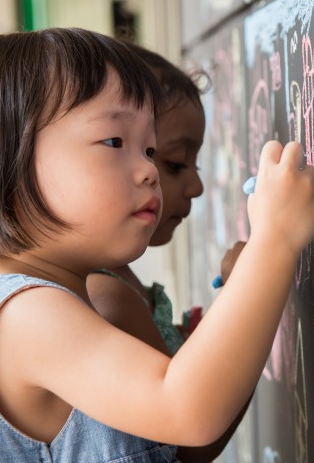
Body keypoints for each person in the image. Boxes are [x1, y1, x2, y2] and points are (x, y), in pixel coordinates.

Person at [0, 27, 314, 462]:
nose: (148, 171)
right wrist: (274, 241)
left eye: (148, 149)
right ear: (3, 170)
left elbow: (184, 436)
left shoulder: (49, 301)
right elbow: (187, 412)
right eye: (114, 142)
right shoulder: (25, 315)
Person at [86, 43, 242, 462]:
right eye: (172, 163)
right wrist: (250, 292)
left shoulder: (116, 283)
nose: (196, 187)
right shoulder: (107, 297)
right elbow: (191, 445)